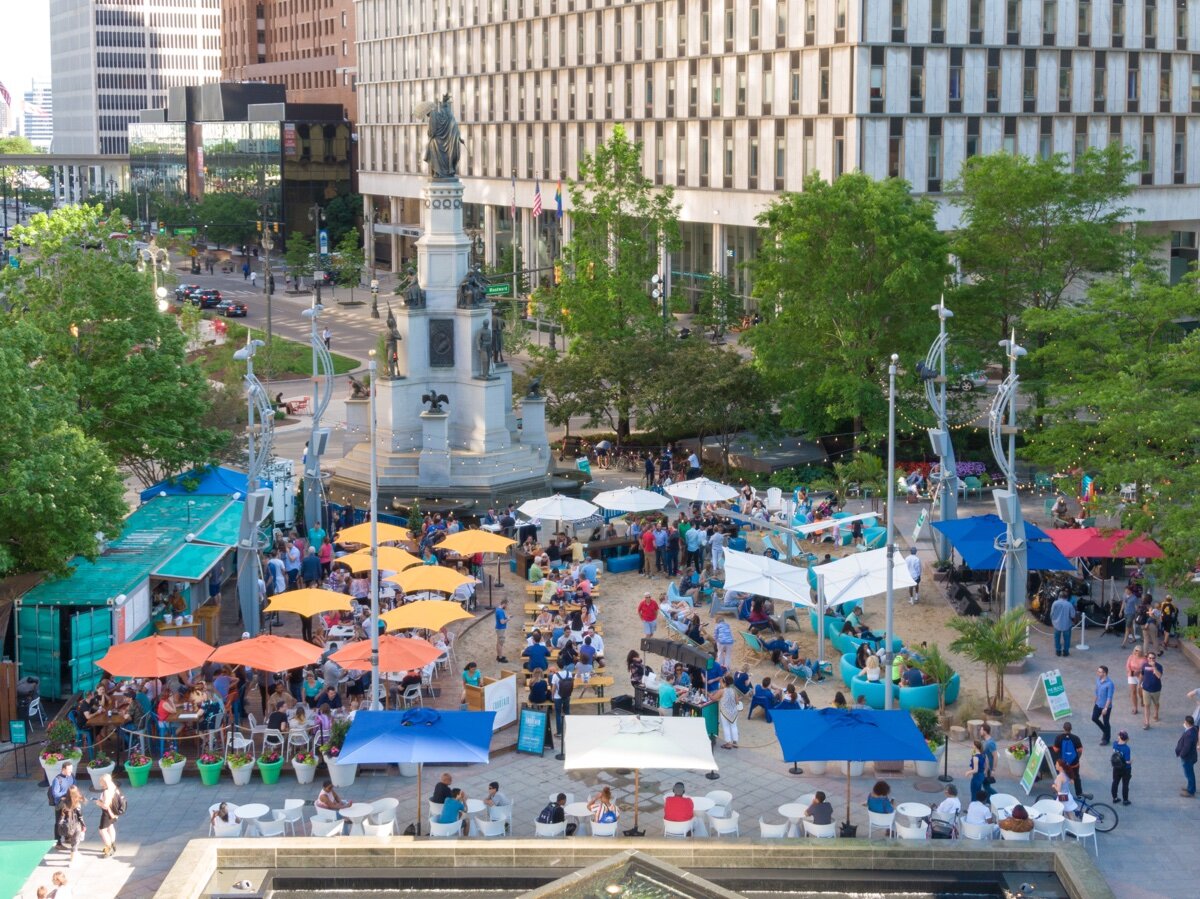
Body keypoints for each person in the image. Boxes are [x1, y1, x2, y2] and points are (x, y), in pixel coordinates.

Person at [1053, 721, 1084, 796]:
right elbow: (1080, 750)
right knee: (1076, 777)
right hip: (1074, 763)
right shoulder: (1076, 738)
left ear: (1063, 728)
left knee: (1061, 777)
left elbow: (1055, 750)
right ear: (1071, 729)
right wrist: (1077, 758)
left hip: (1063, 764)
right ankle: (1079, 794)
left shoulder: (1058, 738)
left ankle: (1060, 793)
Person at [94, 772, 121, 857]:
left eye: (101, 781)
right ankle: (113, 844)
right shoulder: (114, 788)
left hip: (107, 813)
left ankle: (108, 848)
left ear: (104, 782)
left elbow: (106, 805)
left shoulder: (106, 791)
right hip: (114, 812)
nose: (99, 782)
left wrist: (99, 803)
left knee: (102, 830)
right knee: (110, 827)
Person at [56, 786, 86, 861]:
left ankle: (75, 853)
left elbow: (57, 808)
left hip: (66, 825)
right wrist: (83, 825)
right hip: (76, 825)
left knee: (73, 840)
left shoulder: (63, 802)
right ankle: (72, 859)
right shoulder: (77, 802)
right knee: (75, 842)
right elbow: (80, 816)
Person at [48, 762, 75, 845]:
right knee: (59, 822)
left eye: (71, 769)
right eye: (69, 769)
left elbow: (74, 787)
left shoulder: (71, 776)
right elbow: (55, 794)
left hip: (69, 803)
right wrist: (65, 794)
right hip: (60, 805)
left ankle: (67, 837)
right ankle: (58, 842)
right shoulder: (57, 780)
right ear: (63, 769)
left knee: (68, 820)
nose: (71, 771)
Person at [714, 674, 741, 749]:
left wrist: (708, 694)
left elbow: (713, 698)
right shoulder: (733, 690)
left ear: (724, 683)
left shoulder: (722, 691)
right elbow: (737, 701)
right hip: (734, 712)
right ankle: (735, 742)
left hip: (725, 712)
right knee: (734, 726)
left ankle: (728, 743)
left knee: (726, 727)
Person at [1177, 715, 1199, 798]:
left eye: (1185, 722)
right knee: (1189, 773)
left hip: (1188, 757)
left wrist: (1181, 754)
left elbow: (1186, 747)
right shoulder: (1193, 730)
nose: (1184, 723)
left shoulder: (1189, 734)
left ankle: (1191, 791)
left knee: (1189, 774)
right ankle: (1190, 787)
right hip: (1191, 756)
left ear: (1187, 723)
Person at [1141, 651, 1164, 729]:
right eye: (1150, 658)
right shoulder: (1144, 665)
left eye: (1153, 658)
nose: (1151, 659)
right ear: (1147, 658)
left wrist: (1154, 667)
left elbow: (1159, 676)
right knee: (1146, 705)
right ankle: (1147, 723)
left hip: (1156, 689)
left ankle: (1156, 713)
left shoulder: (1159, 666)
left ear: (1155, 658)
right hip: (1146, 689)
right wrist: (1139, 684)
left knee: (1156, 703)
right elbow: (1142, 674)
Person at [1093, 665, 1115, 745]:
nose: (1097, 673)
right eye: (1098, 671)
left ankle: (1107, 739)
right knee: (1094, 718)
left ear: (1105, 673)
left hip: (1106, 706)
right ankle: (1105, 731)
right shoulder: (1098, 680)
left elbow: (1109, 697)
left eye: (1099, 672)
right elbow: (1097, 690)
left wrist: (1105, 708)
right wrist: (1095, 699)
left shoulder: (1110, 684)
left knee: (1106, 722)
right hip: (1098, 704)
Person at [1050, 590, 1077, 657]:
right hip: (1067, 624)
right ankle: (1066, 652)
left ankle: (1058, 651)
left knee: (1057, 638)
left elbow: (1051, 614)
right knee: (1067, 639)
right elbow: (1072, 615)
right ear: (1067, 597)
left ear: (1059, 596)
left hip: (1056, 624)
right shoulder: (1069, 604)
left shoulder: (1055, 603)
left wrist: (1053, 621)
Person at [1110, 730, 1132, 806]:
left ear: (1120, 737)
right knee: (1125, 784)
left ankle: (1115, 798)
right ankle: (1125, 800)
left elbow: (1116, 741)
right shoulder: (1126, 748)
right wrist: (1131, 761)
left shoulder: (1115, 744)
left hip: (1116, 767)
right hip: (1125, 769)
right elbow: (1127, 761)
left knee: (1115, 782)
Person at [1126, 646, 1146, 715]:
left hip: (1141, 676)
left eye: (1139, 651)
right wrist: (1131, 672)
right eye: (1136, 650)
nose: (1137, 652)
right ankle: (1135, 708)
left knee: (1140, 691)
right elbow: (1127, 666)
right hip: (1132, 675)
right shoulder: (1131, 657)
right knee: (1133, 691)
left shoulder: (1144, 659)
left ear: (1141, 652)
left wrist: (1138, 671)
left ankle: (1142, 699)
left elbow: (1145, 669)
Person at [494, 598, 509, 663]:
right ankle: (500, 657)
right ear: (504, 604)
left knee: (498, 643)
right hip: (501, 629)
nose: (507, 606)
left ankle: (498, 656)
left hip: (499, 628)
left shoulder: (498, 609)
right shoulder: (500, 611)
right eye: (507, 605)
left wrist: (506, 617)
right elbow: (502, 621)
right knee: (500, 643)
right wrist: (508, 619)